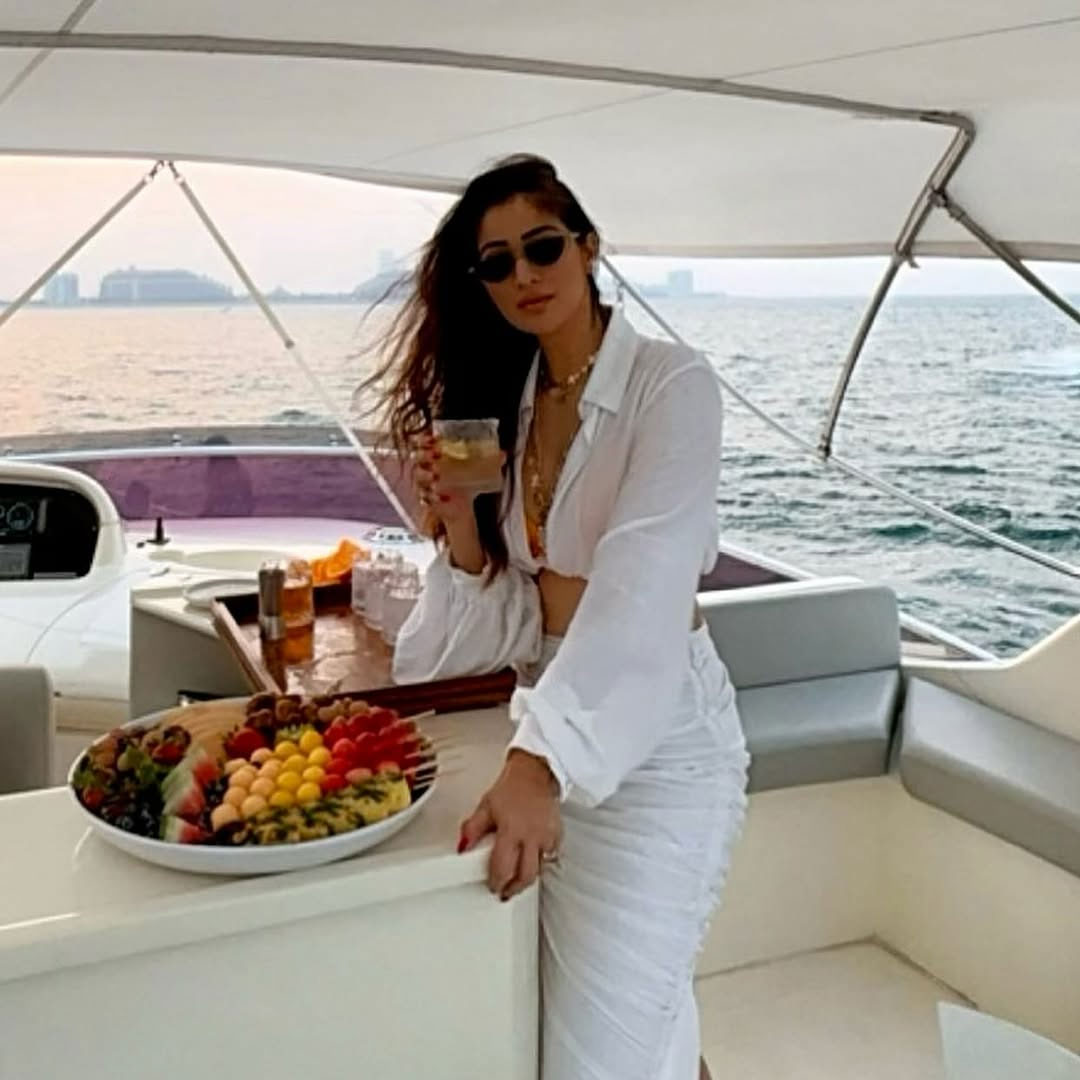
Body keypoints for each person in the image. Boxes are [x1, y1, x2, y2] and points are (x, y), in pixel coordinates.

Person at [375, 155, 749, 1080]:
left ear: (588, 247)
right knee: (597, 1019)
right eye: (496, 263)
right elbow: (512, 620)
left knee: (600, 1050)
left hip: (658, 747)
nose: (524, 275)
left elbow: (643, 586)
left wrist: (538, 764)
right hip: (549, 719)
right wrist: (465, 528)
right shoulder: (511, 402)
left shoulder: (672, 385)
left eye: (542, 247)